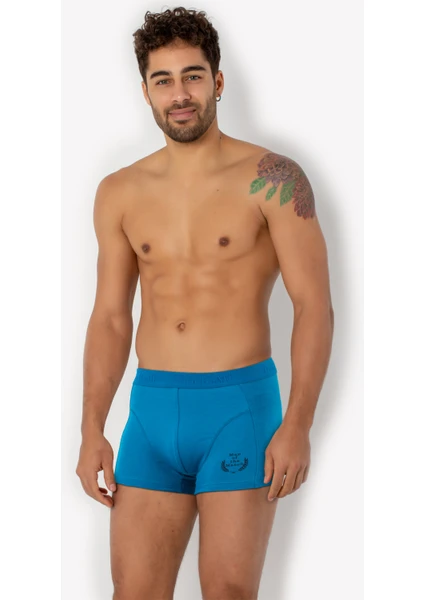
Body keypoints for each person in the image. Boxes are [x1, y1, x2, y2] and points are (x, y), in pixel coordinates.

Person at [76, 6, 334, 600]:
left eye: (192, 76)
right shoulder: (119, 192)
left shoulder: (274, 178)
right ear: (145, 91)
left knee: (228, 593)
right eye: (163, 80)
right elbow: (110, 318)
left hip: (238, 410)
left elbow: (313, 306)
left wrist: (298, 424)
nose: (180, 94)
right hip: (151, 413)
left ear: (217, 81)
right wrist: (91, 429)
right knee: (133, 593)